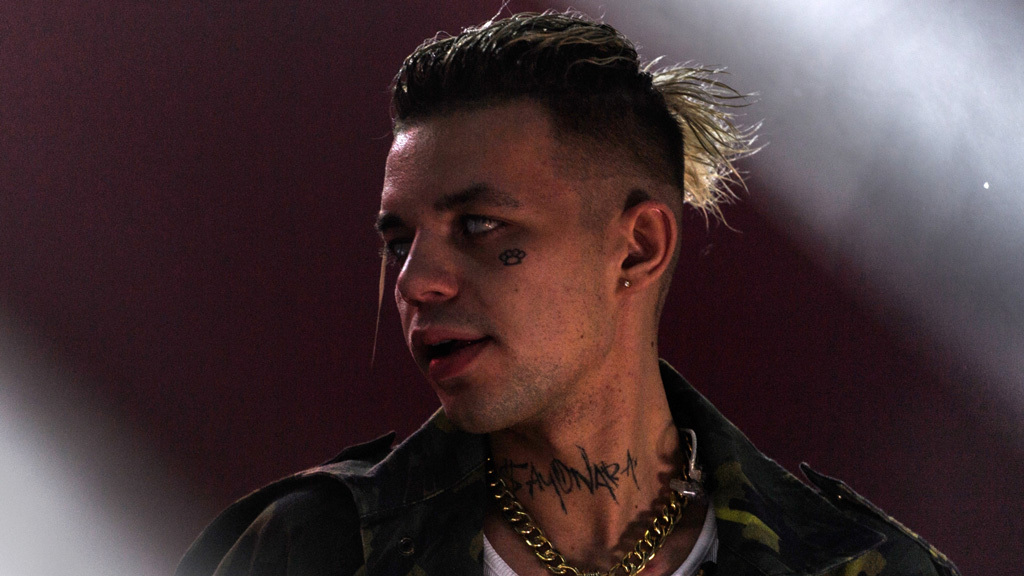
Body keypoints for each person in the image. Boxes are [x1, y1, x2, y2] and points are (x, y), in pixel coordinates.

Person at [177, 11, 961, 576]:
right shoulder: (310, 550)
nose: (415, 282)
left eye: (478, 226)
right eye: (399, 241)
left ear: (638, 246)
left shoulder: (861, 566)